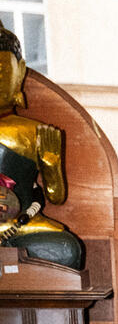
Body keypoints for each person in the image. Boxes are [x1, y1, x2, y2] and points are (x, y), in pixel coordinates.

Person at [0, 21, 81, 266]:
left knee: (67, 249)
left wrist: (51, 165)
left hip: (23, 226)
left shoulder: (34, 132)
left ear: (20, 72)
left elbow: (56, 197)